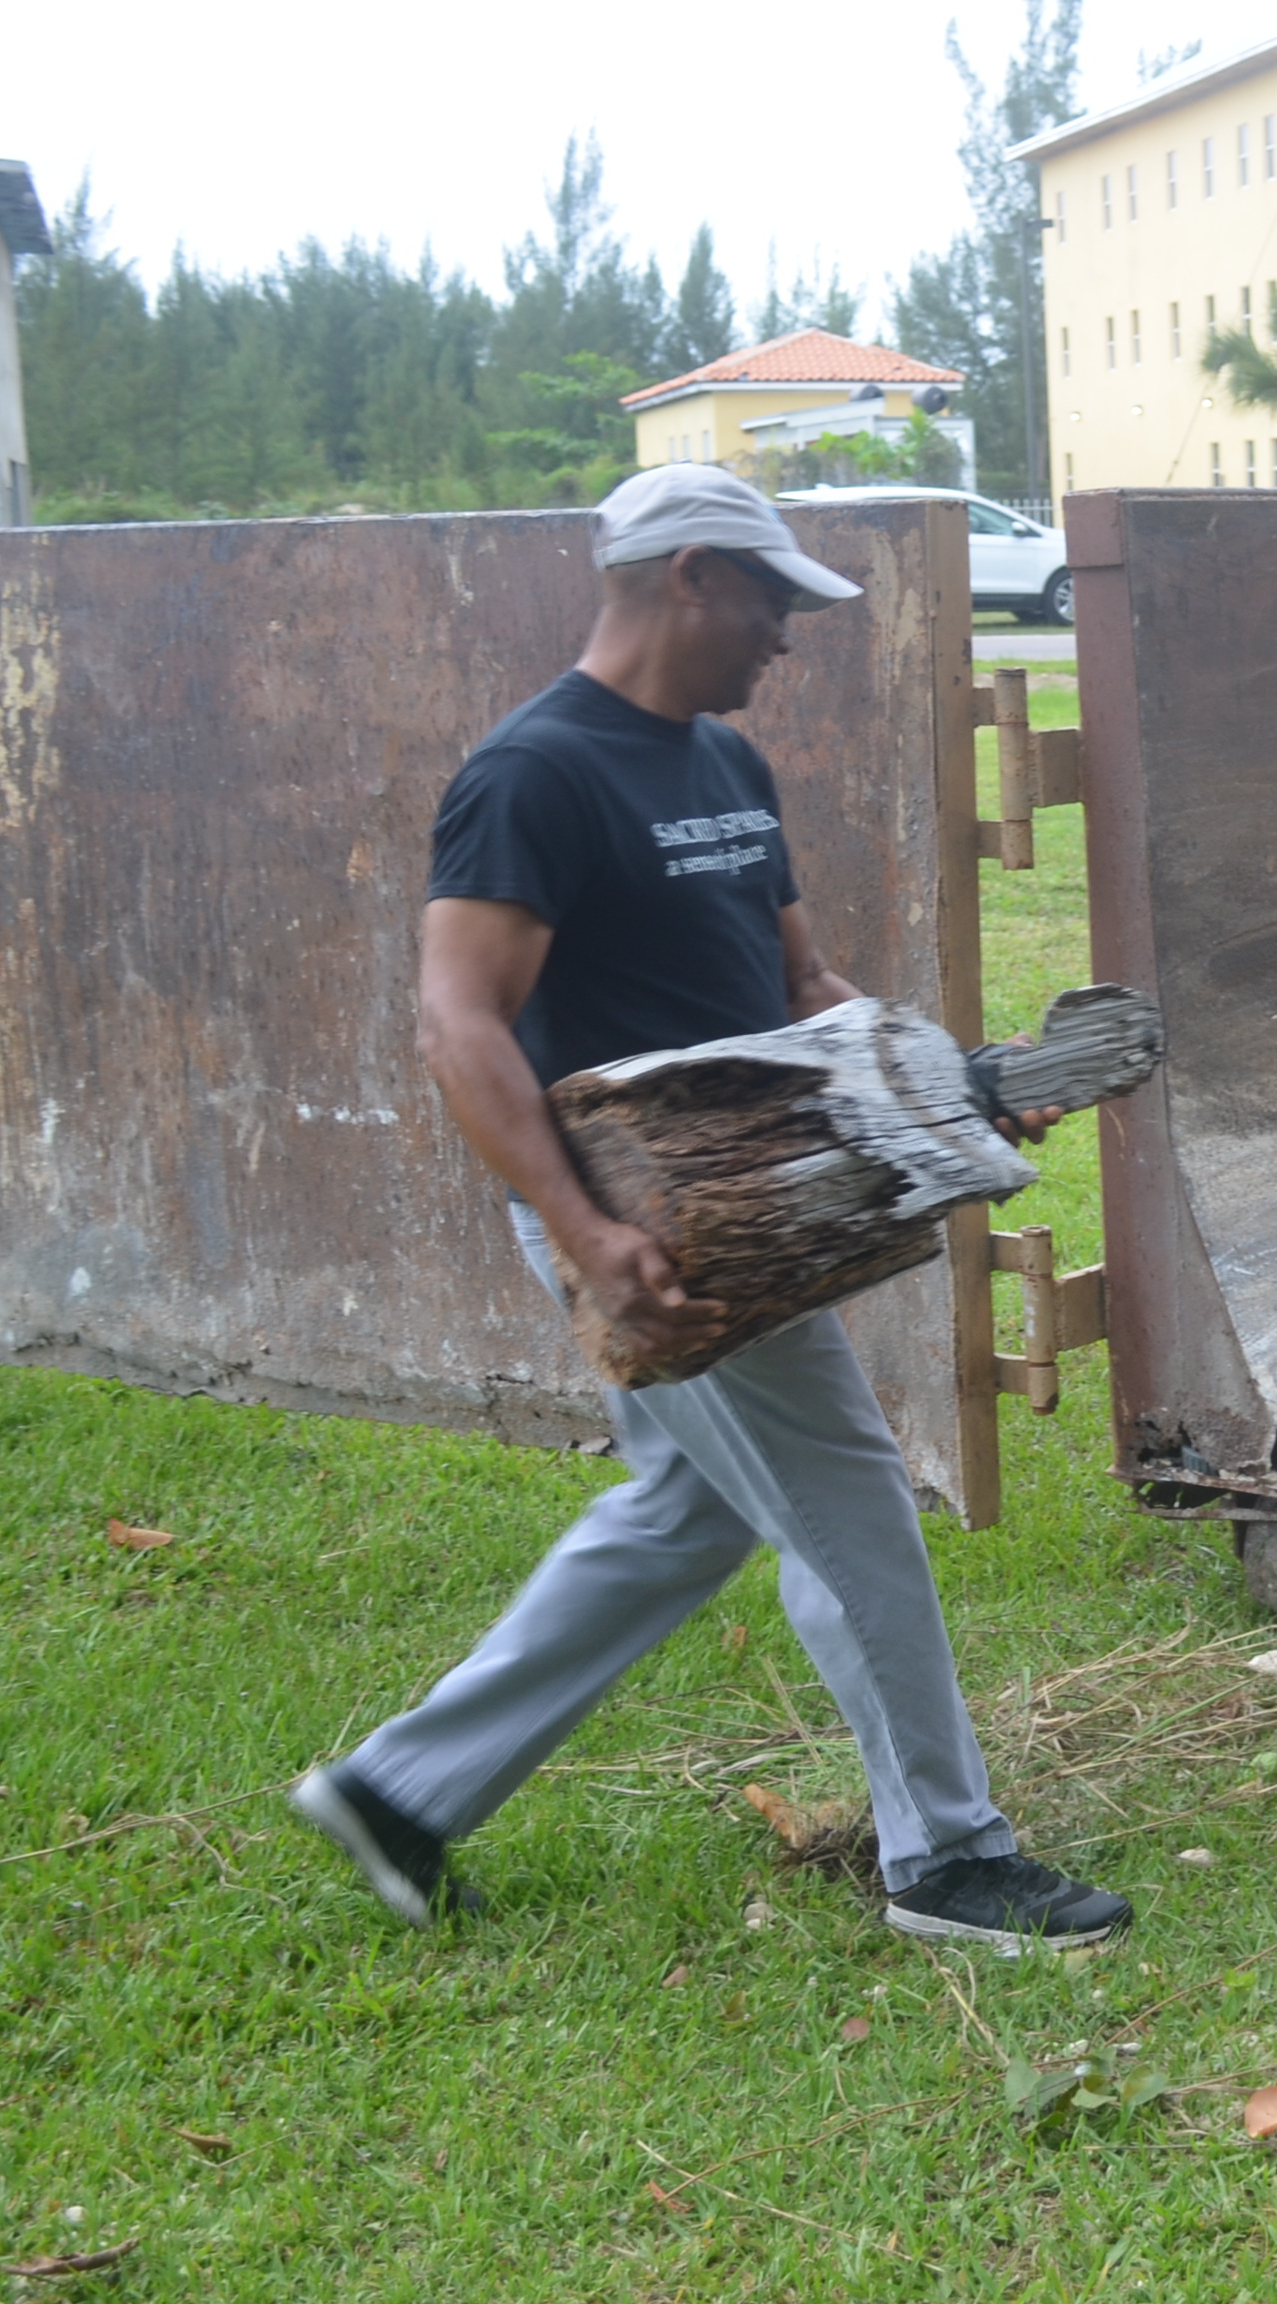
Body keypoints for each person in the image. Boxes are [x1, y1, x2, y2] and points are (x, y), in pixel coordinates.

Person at [290, 464, 1132, 1956]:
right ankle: (947, 1856)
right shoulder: (533, 775)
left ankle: (401, 1790)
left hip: (747, 1201)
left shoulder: (724, 768)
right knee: (852, 1499)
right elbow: (460, 1026)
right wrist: (581, 1233)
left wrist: (960, 1088)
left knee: (685, 1515)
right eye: (770, 599)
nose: (786, 637)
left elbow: (802, 991)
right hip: (641, 1218)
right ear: (689, 576)